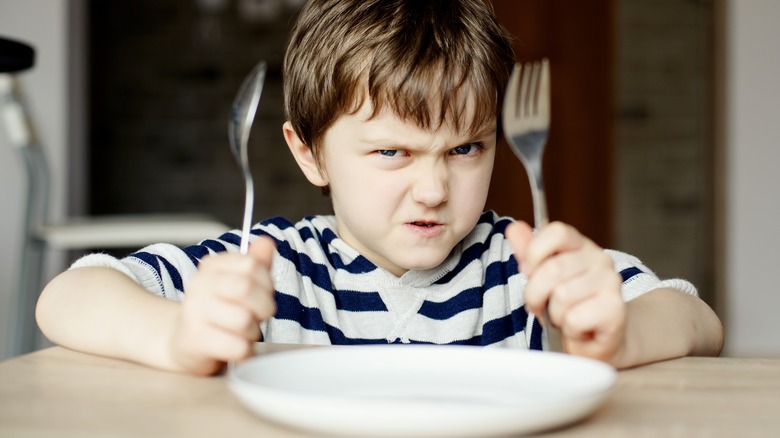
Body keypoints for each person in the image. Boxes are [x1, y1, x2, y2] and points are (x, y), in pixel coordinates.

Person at [36, 0, 723, 376]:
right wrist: (179, 337)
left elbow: (697, 319)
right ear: (309, 155)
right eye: (392, 151)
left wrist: (615, 337)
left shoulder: (526, 267)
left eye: (464, 148)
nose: (432, 188)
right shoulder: (273, 265)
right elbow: (69, 294)